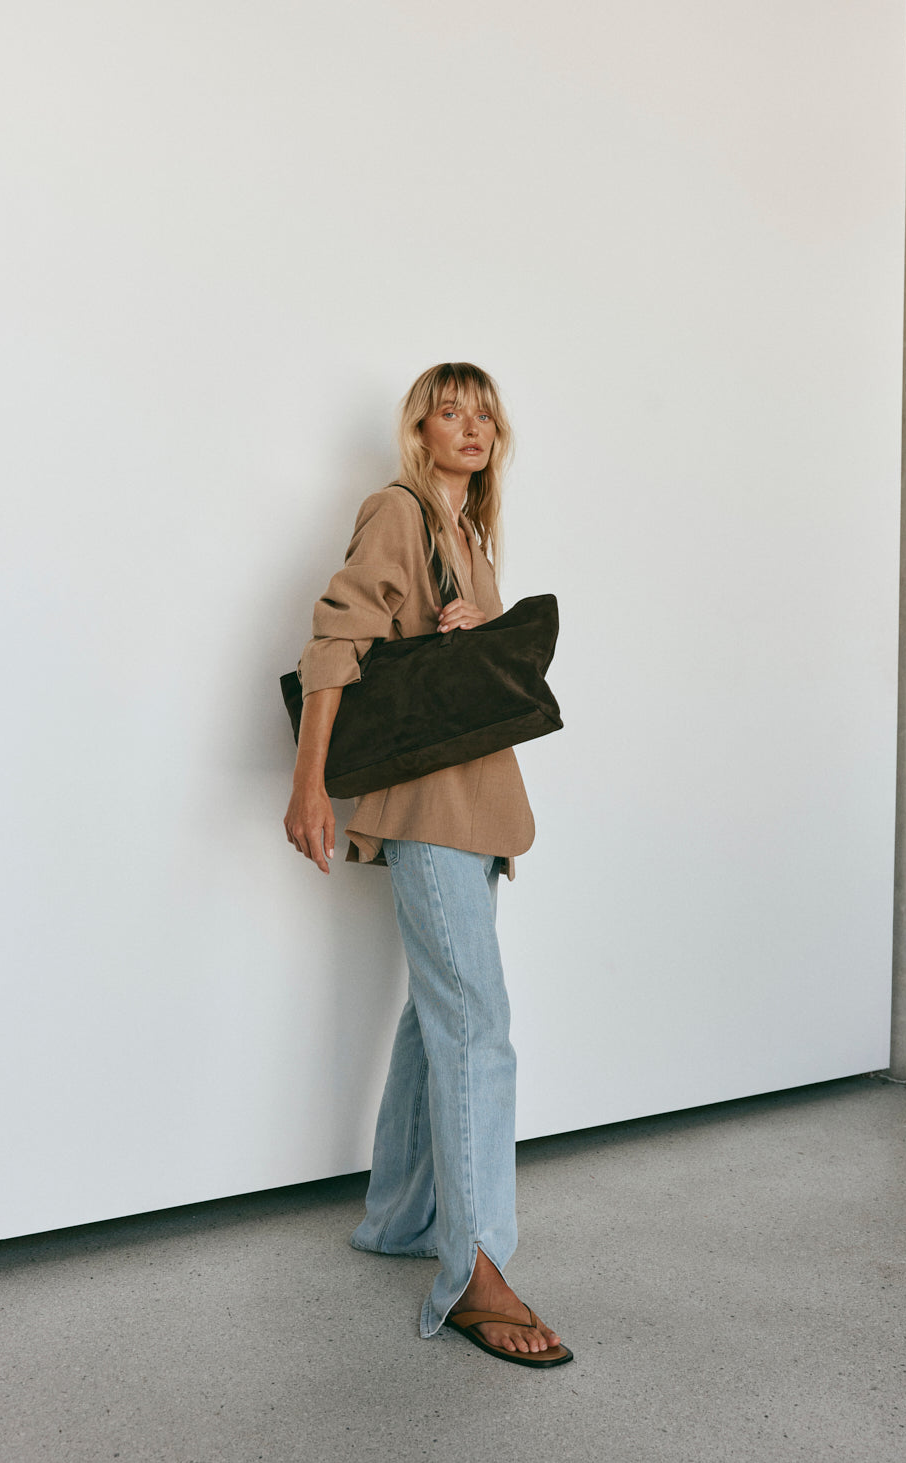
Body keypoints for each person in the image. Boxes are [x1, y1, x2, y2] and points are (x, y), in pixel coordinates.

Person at [283, 363, 571, 1369]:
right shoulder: (397, 510)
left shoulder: (466, 536)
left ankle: (398, 1222)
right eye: (451, 412)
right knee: (476, 1027)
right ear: (420, 430)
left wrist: (478, 625)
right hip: (431, 814)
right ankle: (475, 1270)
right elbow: (335, 641)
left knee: (435, 1015)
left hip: (474, 816)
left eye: (484, 413)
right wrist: (310, 787)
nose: (471, 427)